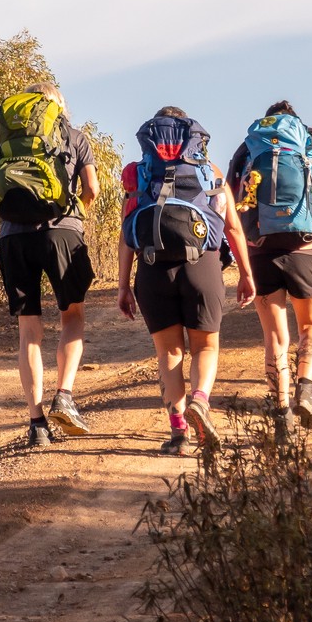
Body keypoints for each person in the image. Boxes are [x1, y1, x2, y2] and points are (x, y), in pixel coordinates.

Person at [117, 106, 255, 456]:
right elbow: (233, 227)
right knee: (205, 346)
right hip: (202, 265)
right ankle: (200, 401)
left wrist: (122, 286)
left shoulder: (136, 174)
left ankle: (179, 432)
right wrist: (246, 273)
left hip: (152, 266)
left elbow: (125, 235)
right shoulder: (210, 171)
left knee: (169, 351)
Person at [0, 83, 100, 448]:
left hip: (12, 238)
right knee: (72, 315)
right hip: (61, 232)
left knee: (28, 330)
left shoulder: (8, 141)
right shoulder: (75, 136)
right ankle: (64, 394)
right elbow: (92, 189)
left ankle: (36, 424)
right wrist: (75, 214)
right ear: (59, 107)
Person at [227, 101, 312, 442]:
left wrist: (241, 264)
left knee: (275, 339)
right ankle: (305, 390)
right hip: (305, 250)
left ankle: (282, 412)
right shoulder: (310, 145)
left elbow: (235, 206)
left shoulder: (250, 148)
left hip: (261, 252)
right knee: (309, 328)